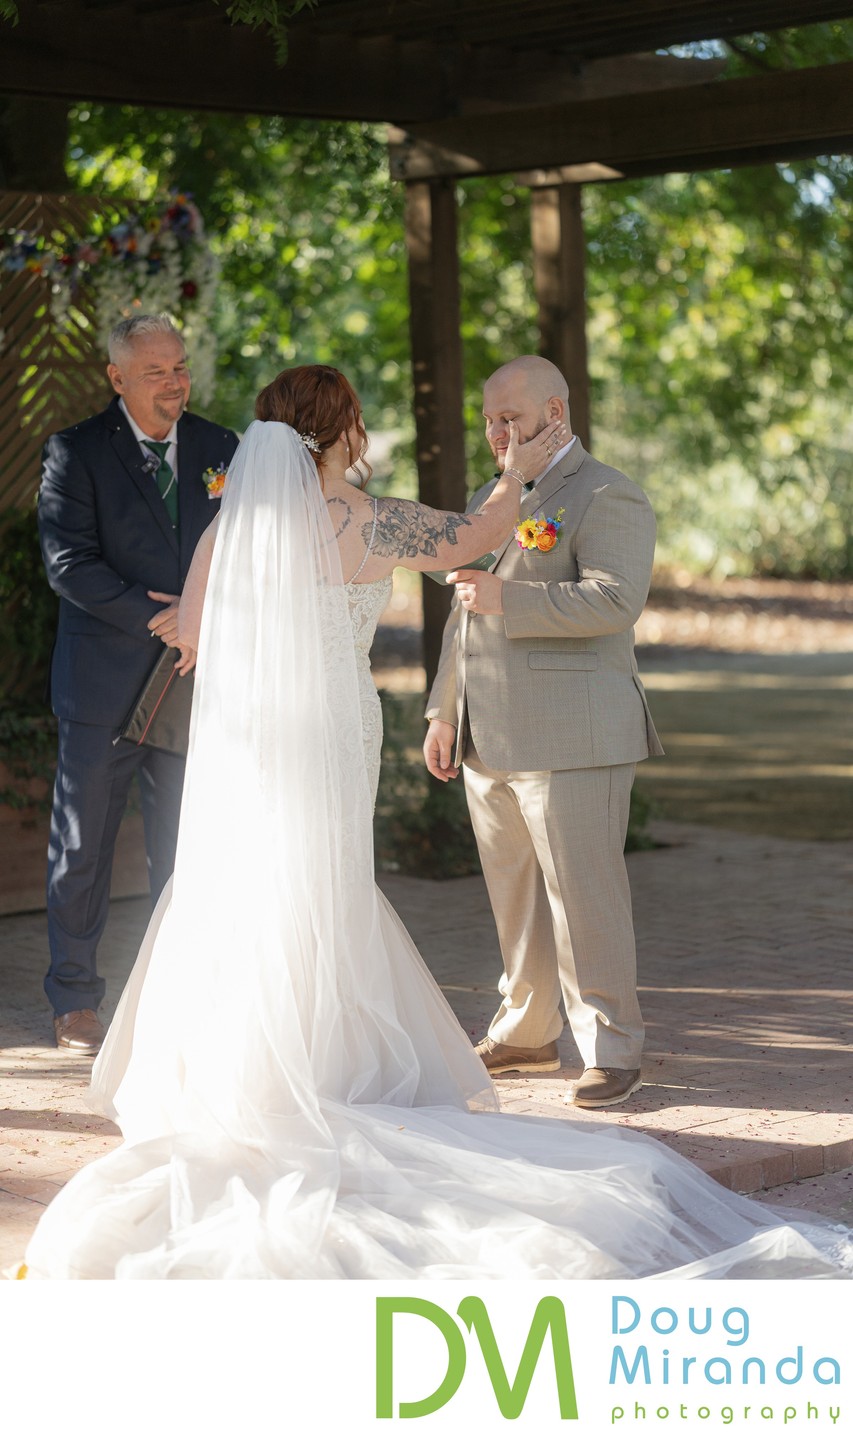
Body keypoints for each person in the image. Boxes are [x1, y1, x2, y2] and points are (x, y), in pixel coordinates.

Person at [20, 366, 852, 1280]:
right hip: (330, 734)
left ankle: (242, 1067)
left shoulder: (230, 529)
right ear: (339, 432)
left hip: (249, 748)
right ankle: (331, 1065)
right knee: (323, 886)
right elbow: (478, 535)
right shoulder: (367, 522)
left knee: (246, 883)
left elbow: (194, 630)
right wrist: (516, 467)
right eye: (359, 418)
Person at [424, 355, 662, 1109]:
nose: (498, 431)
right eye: (490, 419)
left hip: (573, 733)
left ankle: (610, 1045)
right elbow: (465, 608)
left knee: (582, 896)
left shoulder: (607, 492)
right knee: (514, 897)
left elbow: (614, 601)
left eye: (511, 418)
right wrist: (442, 707)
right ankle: (526, 1029)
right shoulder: (490, 497)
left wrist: (509, 602)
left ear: (554, 413)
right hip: (486, 732)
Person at [37, 313, 240, 1054]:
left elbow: (248, 548)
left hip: (196, 682)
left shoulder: (224, 448)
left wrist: (203, 619)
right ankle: (74, 999)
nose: (174, 383)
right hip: (103, 685)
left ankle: (177, 994)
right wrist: (160, 618)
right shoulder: (76, 452)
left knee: (185, 846)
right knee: (82, 845)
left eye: (179, 367)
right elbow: (68, 563)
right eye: (155, 372)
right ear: (117, 378)